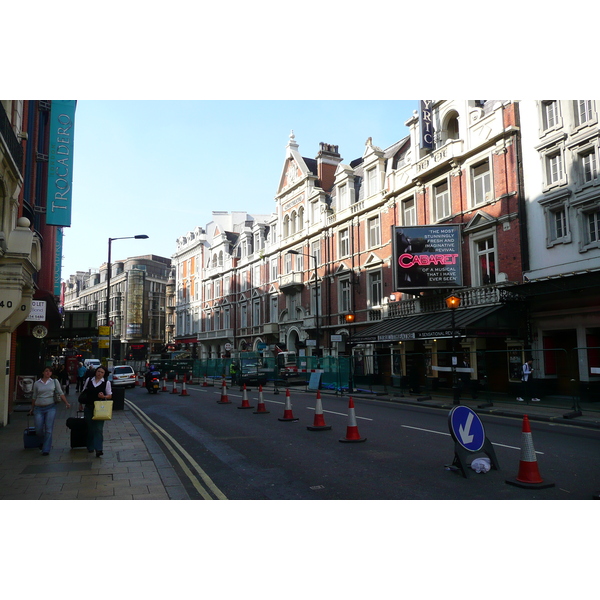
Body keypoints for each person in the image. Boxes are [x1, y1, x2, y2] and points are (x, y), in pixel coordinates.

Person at [28, 367, 71, 455]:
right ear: (43, 372)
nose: (48, 373)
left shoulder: (54, 382)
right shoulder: (37, 383)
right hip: (38, 408)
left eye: (50, 371)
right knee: (38, 429)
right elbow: (34, 396)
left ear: (51, 373)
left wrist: (66, 403)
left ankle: (46, 449)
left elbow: (60, 392)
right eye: (46, 371)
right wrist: (32, 408)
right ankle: (43, 441)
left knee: (48, 429)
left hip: (50, 407)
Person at [79, 366, 112, 458]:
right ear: (95, 372)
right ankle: (90, 446)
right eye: (98, 371)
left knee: (98, 429)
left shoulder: (106, 383)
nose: (99, 373)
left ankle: (98, 449)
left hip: (100, 409)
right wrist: (80, 404)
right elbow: (83, 392)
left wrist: (103, 397)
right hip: (89, 407)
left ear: (104, 374)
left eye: (102, 372)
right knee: (90, 428)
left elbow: (109, 395)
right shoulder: (89, 380)